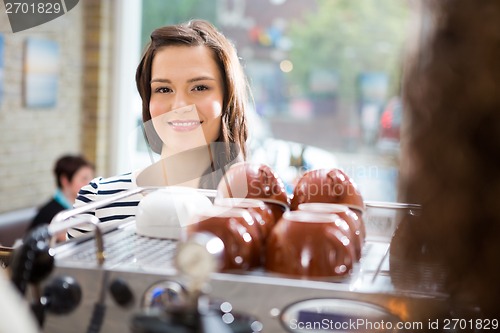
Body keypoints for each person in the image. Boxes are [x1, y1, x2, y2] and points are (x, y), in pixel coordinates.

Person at [71, 20, 250, 234]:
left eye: (200, 87)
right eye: (164, 89)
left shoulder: (254, 202)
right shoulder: (98, 202)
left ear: (227, 98)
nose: (180, 106)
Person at [29, 154, 94, 230]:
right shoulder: (53, 214)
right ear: (65, 181)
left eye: (91, 178)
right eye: (84, 179)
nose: (91, 183)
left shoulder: (83, 205)